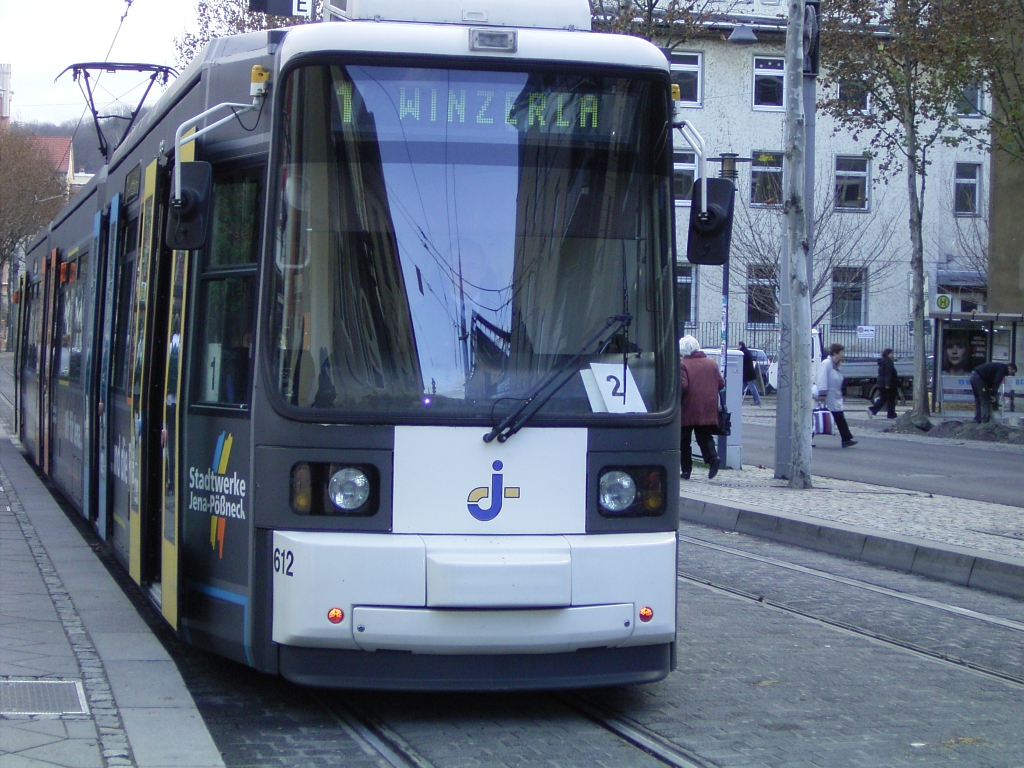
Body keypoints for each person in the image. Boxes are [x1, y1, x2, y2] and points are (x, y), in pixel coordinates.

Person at [679, 335, 725, 480]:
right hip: (707, 407)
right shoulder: (712, 364)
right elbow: (721, 384)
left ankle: (686, 470)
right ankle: (713, 458)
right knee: (705, 436)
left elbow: (683, 386)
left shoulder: (683, 364)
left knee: (683, 440)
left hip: (687, 408)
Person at [816, 342, 857, 448]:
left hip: (834, 397)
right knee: (819, 418)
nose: (842, 355)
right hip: (827, 396)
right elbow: (821, 378)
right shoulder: (826, 364)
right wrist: (822, 393)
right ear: (835, 353)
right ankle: (846, 438)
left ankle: (846, 439)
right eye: (841, 353)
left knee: (839, 418)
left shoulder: (836, 365)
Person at [867, 348, 899, 419]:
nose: (892, 355)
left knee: (883, 398)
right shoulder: (888, 362)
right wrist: (887, 384)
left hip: (881, 383)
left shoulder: (882, 362)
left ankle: (872, 410)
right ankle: (891, 414)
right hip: (888, 384)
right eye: (891, 353)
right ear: (887, 354)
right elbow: (888, 374)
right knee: (891, 399)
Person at [737, 341, 761, 406]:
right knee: (743, 386)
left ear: (741, 345)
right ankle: (737, 399)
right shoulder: (746, 351)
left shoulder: (744, 352)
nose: (737, 347)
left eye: (738, 345)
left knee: (752, 387)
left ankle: (757, 401)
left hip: (748, 373)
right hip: (748, 373)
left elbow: (742, 362)